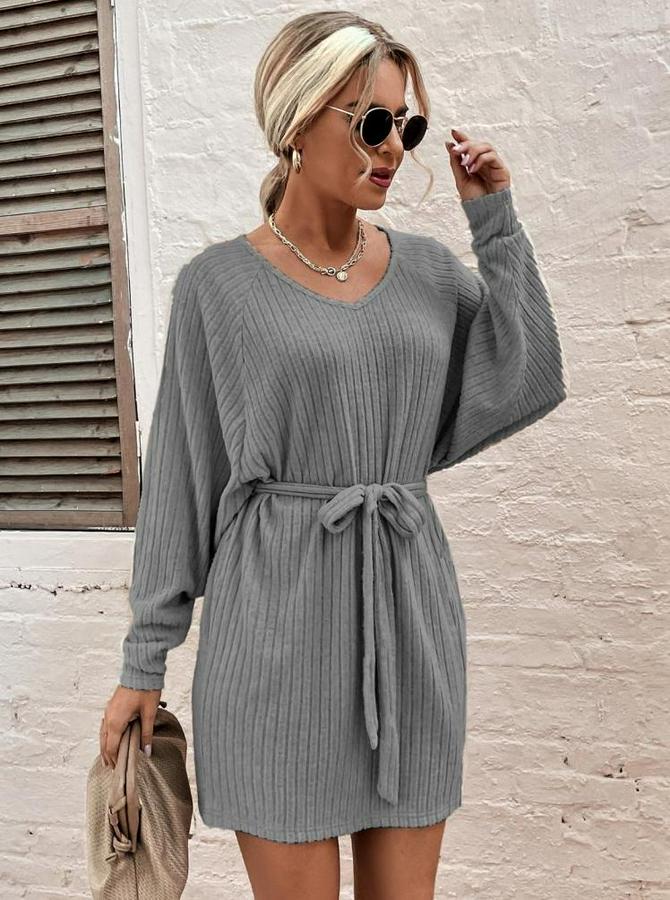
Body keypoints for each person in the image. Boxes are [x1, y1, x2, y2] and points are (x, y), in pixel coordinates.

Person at [100, 10, 567, 899]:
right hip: (273, 637)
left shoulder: (430, 275)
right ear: (297, 121)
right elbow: (184, 487)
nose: (393, 148)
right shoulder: (217, 288)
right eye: (372, 121)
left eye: (406, 127)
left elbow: (529, 373)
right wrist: (143, 663)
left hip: (409, 619)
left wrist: (495, 224)